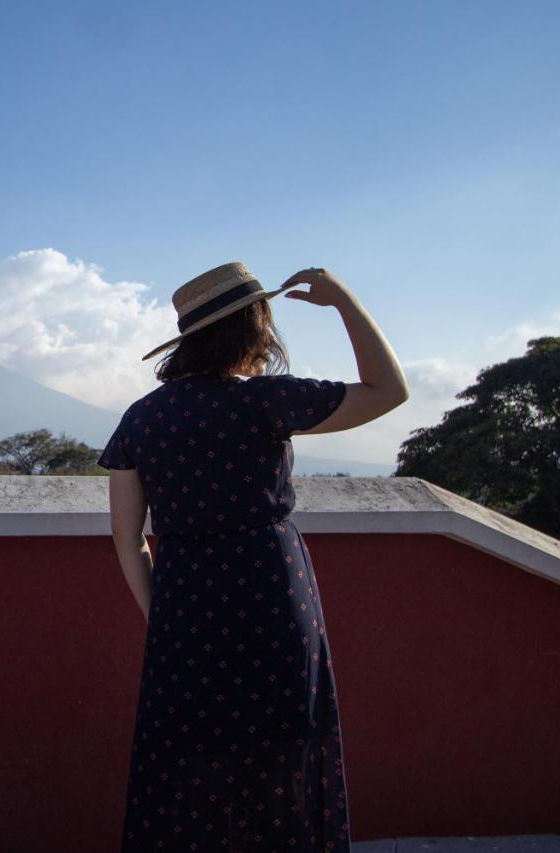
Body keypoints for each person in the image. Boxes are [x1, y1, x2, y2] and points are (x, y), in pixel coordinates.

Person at [98, 262, 408, 852]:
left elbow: (126, 536)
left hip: (185, 601)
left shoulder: (140, 418)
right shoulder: (268, 401)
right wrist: (346, 302)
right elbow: (389, 392)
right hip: (270, 587)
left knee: (187, 761)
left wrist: (160, 615)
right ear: (253, 328)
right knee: (284, 751)